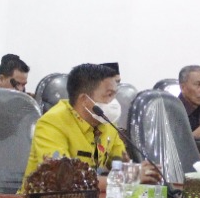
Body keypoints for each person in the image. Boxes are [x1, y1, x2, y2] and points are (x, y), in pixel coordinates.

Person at [21, 63, 159, 189]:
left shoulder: (107, 123)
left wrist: (140, 171)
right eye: (109, 95)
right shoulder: (52, 123)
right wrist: (128, 178)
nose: (114, 102)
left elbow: (121, 164)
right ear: (84, 100)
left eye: (114, 95)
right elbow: (64, 180)